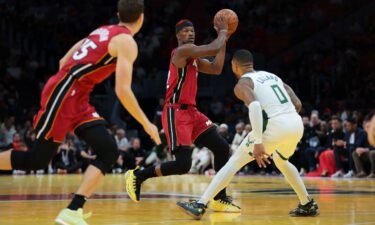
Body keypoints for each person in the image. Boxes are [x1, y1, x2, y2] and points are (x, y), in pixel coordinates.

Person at [0, 0, 161, 224]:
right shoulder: (127, 42)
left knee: (108, 151)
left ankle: (73, 210)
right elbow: (122, 90)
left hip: (76, 94)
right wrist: (147, 123)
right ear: (142, 17)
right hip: (66, 93)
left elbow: (63, 61)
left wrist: (77, 87)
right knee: (37, 159)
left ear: (118, 14)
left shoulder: (102, 30)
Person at [176, 49, 319, 219]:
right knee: (281, 161)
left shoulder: (243, 84)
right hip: (295, 123)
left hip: (274, 126)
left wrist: (259, 141)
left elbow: (256, 106)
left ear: (234, 66)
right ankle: (307, 203)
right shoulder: (272, 76)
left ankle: (200, 204)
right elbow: (297, 103)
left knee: (233, 162)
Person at [125, 18, 241, 212]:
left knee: (222, 148)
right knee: (183, 165)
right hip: (175, 111)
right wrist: (222, 32)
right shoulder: (180, 52)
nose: (191, 33)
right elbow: (213, 48)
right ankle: (139, 176)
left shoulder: (193, 59)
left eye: (192, 30)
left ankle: (219, 197)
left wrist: (225, 38)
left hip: (192, 112)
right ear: (178, 35)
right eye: (186, 31)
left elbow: (216, 68)